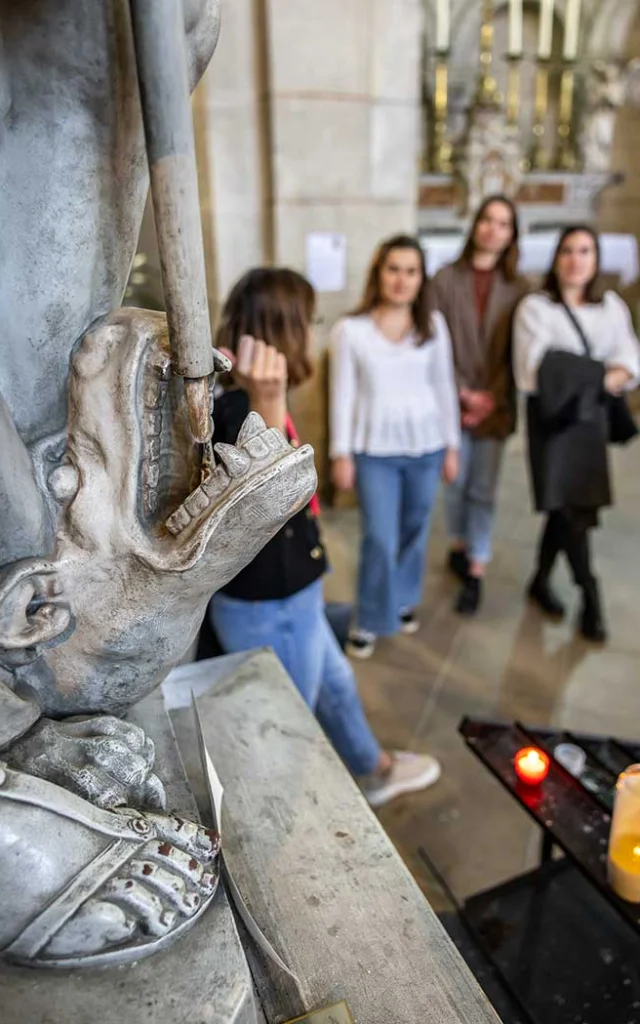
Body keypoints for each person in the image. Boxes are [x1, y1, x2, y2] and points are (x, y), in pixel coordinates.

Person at [209, 267, 441, 807]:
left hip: (291, 593)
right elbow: (269, 513)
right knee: (290, 725)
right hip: (272, 599)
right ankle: (296, 822)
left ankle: (375, 768)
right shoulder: (241, 403)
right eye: (308, 319)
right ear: (284, 326)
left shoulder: (237, 390)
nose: (312, 330)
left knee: (336, 684)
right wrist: (268, 404)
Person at [329, 235, 460, 659]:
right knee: (380, 539)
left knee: (414, 533)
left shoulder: (433, 326)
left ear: (421, 278)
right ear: (378, 274)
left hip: (428, 445)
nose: (402, 280)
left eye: (411, 271)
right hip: (374, 452)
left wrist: (452, 445)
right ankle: (368, 617)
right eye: (393, 269)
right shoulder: (351, 331)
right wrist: (340, 452)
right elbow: (342, 394)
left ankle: (401, 599)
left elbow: (444, 386)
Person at [513, 225, 640, 642]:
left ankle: (541, 580)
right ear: (556, 258)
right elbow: (534, 374)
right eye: (567, 250)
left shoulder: (611, 307)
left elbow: (630, 363)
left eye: (585, 250)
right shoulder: (535, 307)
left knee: (569, 508)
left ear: (597, 258)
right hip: (553, 423)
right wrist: (600, 373)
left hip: (590, 424)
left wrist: (574, 371)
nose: (576, 259)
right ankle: (591, 593)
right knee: (569, 510)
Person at [433, 195, 528, 615]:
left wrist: (489, 397)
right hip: (451, 399)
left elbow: (519, 353)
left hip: (497, 403)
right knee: (455, 483)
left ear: (511, 235)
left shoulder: (521, 288)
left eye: (503, 223)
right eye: (487, 220)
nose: (493, 229)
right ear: (475, 225)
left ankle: (476, 565)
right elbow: (434, 344)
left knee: (483, 489)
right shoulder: (444, 279)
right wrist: (462, 392)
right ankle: (458, 543)